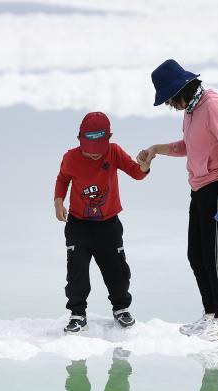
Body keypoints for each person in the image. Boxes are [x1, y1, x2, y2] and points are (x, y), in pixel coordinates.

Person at [137, 59, 218, 342]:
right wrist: (156, 149)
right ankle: (211, 314)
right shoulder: (192, 110)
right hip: (200, 190)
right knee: (196, 254)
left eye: (170, 99)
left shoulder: (213, 105)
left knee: (214, 254)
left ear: (182, 88)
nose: (170, 105)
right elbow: (190, 146)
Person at [54, 111, 152, 334]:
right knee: (76, 272)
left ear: (108, 139)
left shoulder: (114, 152)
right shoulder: (70, 157)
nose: (95, 155)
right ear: (80, 140)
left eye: (99, 150)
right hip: (78, 226)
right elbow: (62, 179)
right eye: (90, 150)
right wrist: (58, 203)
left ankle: (121, 308)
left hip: (109, 226)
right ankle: (77, 313)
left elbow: (136, 173)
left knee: (116, 271)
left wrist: (144, 165)